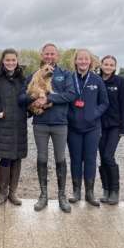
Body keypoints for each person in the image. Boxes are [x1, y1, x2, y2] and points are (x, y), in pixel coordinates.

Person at [19, 43, 75, 213]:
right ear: (42, 55)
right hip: (40, 122)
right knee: (42, 156)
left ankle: (62, 196)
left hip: (60, 122)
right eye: (46, 54)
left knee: (60, 157)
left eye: (52, 54)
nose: (49, 57)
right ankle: (43, 195)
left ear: (57, 55)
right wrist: (34, 97)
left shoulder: (65, 74)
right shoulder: (33, 75)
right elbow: (21, 97)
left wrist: (48, 99)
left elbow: (71, 95)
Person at [0, 49, 28, 206]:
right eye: (7, 60)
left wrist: (28, 112)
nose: (10, 63)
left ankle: (13, 192)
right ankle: (2, 193)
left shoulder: (23, 78)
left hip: (19, 123)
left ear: (17, 60)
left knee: (17, 156)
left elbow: (27, 97)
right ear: (2, 61)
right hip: (2, 124)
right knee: (4, 156)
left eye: (13, 60)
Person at [67, 49, 108, 206]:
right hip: (73, 127)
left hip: (92, 127)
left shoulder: (97, 80)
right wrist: (70, 115)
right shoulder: (69, 79)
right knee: (76, 159)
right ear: (75, 61)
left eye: (86, 59)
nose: (83, 61)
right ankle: (76, 191)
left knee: (90, 159)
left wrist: (94, 114)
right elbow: (64, 100)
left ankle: (89, 193)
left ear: (91, 61)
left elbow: (104, 102)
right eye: (80, 59)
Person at [98, 55, 124, 205]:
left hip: (114, 124)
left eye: (111, 65)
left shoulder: (120, 81)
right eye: (106, 64)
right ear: (101, 65)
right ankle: (106, 190)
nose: (108, 67)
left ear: (115, 67)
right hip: (98, 124)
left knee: (109, 157)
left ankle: (115, 190)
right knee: (102, 157)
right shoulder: (95, 80)